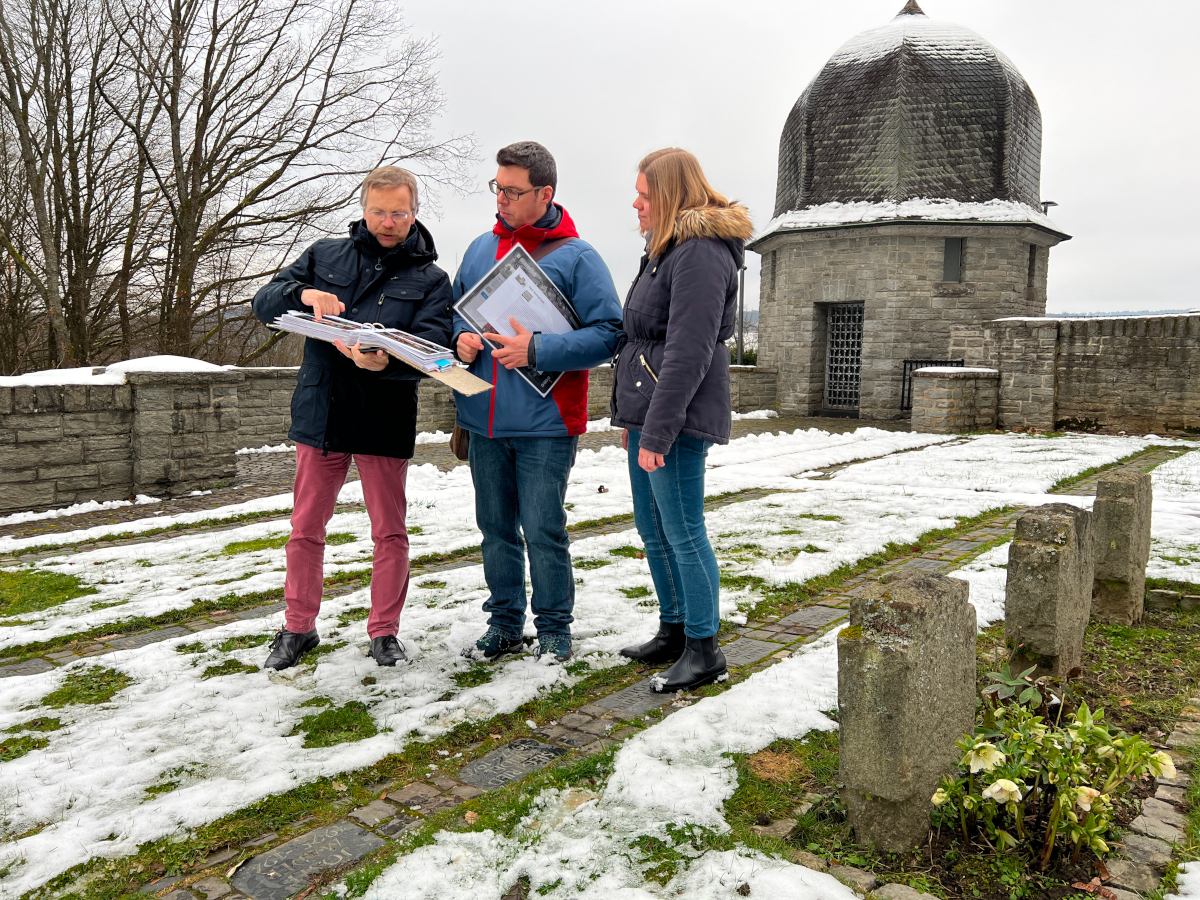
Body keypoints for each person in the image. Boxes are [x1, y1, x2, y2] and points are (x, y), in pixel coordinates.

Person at [251, 166, 453, 670]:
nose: (388, 222)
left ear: (414, 212)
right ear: (364, 209)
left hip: (384, 415)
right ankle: (297, 627)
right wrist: (304, 294)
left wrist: (385, 362)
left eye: (399, 213)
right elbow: (263, 303)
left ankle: (384, 632)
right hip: (323, 413)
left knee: (390, 533)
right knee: (305, 529)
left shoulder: (432, 279)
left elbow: (434, 350)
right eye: (379, 211)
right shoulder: (323, 254)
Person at [452, 141, 623, 665]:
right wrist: (460, 338)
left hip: (546, 424)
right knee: (496, 530)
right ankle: (503, 625)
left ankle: (554, 630)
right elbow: (456, 313)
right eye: (497, 187)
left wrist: (539, 348)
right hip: (482, 416)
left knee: (544, 530)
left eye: (512, 190)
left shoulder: (579, 256)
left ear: (545, 194)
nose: (500, 198)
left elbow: (611, 333)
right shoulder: (481, 248)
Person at [611, 148, 753, 693]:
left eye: (645, 195)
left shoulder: (699, 254)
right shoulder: (663, 250)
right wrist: (636, 419)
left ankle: (703, 648)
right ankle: (673, 630)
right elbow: (642, 337)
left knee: (684, 531)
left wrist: (661, 430)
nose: (636, 203)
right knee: (653, 530)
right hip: (647, 414)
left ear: (668, 195)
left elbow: (689, 351)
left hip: (677, 418)